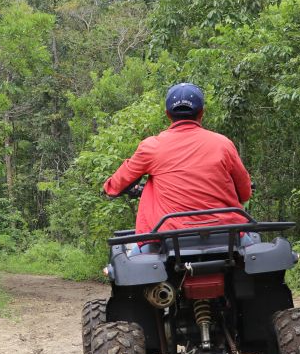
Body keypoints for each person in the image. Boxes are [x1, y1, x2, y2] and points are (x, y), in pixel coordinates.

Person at [103, 82, 256, 250]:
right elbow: (245, 193)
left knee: (129, 259)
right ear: (201, 112)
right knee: (254, 247)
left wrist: (109, 187)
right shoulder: (223, 144)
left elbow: (115, 186)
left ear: (168, 114)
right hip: (227, 235)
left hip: (170, 238)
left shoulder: (152, 147)